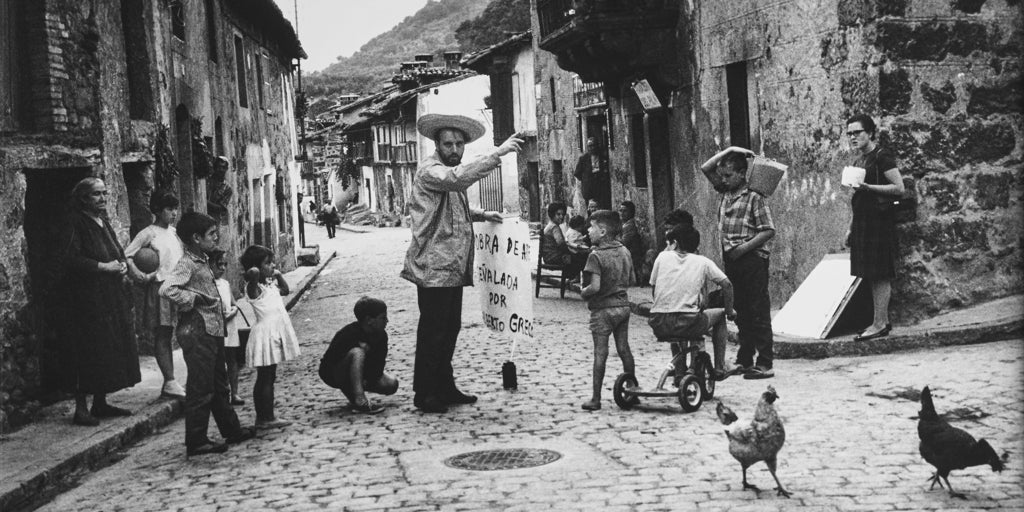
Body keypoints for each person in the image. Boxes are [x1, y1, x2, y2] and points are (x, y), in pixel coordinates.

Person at [400, 113, 523, 414]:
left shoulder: (447, 171)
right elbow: (455, 181)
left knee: (450, 327)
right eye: (448, 144)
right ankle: (424, 391)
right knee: (433, 330)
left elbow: (453, 206)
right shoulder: (431, 171)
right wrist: (498, 152)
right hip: (433, 266)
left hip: (452, 266)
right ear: (436, 145)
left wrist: (481, 215)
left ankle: (444, 385)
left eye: (459, 144)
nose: (455, 149)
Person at [160, 212, 255, 456]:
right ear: (195, 238)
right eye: (211, 235)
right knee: (201, 388)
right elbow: (167, 289)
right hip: (197, 329)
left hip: (210, 329)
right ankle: (196, 440)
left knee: (218, 384)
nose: (216, 239)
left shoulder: (201, 260)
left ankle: (231, 429)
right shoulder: (187, 263)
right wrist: (193, 298)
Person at [49, 177, 141, 426]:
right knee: (86, 350)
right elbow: (70, 259)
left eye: (104, 193)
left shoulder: (104, 222)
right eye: (96, 194)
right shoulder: (75, 223)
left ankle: (100, 402)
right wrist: (103, 266)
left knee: (107, 348)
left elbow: (116, 251)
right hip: (85, 300)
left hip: (109, 298)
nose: (103, 198)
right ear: (83, 198)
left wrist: (121, 265)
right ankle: (81, 409)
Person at [701, 147, 777, 380]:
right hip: (732, 259)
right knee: (740, 309)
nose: (723, 180)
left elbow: (768, 230)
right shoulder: (726, 193)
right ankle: (745, 358)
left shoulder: (754, 197)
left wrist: (743, 248)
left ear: (742, 174)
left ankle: (765, 362)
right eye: (722, 176)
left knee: (758, 309)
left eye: (728, 175)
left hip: (752, 259)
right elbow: (706, 168)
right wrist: (731, 150)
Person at [648, 225, 736, 382]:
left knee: (677, 326)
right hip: (688, 322)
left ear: (674, 243)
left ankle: (680, 371)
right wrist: (730, 311)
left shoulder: (662, 257)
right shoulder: (702, 261)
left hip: (659, 322)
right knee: (720, 315)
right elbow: (727, 285)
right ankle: (718, 368)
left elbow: (654, 289)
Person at [845, 113, 905, 341]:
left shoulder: (882, 156)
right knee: (870, 273)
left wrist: (869, 187)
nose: (853, 137)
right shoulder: (859, 160)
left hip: (879, 221)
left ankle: (879, 323)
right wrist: (850, 227)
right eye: (849, 133)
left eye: (857, 132)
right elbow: (857, 198)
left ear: (870, 133)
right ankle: (880, 321)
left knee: (880, 273)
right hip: (863, 221)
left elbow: (899, 188)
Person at [124, 190, 186, 400]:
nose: (174, 213)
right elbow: (127, 255)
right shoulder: (148, 233)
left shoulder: (175, 233)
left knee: (184, 332)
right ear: (158, 210)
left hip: (179, 287)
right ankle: (169, 381)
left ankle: (186, 377)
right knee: (164, 334)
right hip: (160, 288)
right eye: (169, 209)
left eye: (175, 208)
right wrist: (140, 274)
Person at [579, 210, 636, 411]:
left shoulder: (595, 256)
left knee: (600, 353)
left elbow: (594, 287)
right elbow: (632, 280)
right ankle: (632, 388)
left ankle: (596, 398)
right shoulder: (624, 251)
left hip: (602, 310)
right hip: (622, 307)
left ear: (602, 231)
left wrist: (583, 291)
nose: (588, 230)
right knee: (624, 349)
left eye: (591, 226)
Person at [240, 244, 300, 429]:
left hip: (275, 332)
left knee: (270, 376)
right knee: (265, 377)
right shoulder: (254, 288)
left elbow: (286, 290)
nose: (272, 265)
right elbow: (253, 278)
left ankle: (268, 415)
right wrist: (255, 272)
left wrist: (278, 275)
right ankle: (264, 418)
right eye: (268, 263)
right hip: (265, 335)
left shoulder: (270, 284)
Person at [319, 297, 399, 414]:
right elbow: (330, 362)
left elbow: (378, 366)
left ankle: (355, 391)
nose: (387, 321)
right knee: (357, 353)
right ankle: (360, 399)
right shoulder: (347, 334)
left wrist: (368, 379)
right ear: (369, 320)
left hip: (362, 374)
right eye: (383, 318)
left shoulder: (381, 336)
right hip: (334, 374)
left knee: (392, 384)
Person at [210, 250, 244, 406]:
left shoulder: (225, 284)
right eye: (219, 265)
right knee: (218, 361)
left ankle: (235, 393)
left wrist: (233, 311)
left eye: (224, 264)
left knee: (232, 360)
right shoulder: (207, 284)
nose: (222, 268)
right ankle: (222, 393)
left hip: (229, 325)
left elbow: (233, 304)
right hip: (216, 327)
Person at [542, 202, 588, 282]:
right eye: (558, 214)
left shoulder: (550, 225)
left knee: (575, 255)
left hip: (549, 256)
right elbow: (561, 244)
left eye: (562, 214)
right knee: (581, 257)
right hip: (554, 257)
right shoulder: (554, 227)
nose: (561, 217)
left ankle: (573, 277)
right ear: (552, 214)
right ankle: (576, 278)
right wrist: (570, 252)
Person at [573, 136, 610, 209]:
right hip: (589, 190)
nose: (592, 148)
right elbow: (577, 173)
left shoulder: (602, 157)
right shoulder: (583, 159)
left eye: (593, 145)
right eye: (590, 146)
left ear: (597, 146)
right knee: (591, 209)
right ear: (587, 147)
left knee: (601, 208)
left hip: (600, 189)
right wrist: (586, 179)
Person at [618, 200, 646, 283]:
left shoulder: (630, 226)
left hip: (632, 254)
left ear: (631, 213)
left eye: (625, 211)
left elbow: (623, 243)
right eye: (621, 211)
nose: (622, 213)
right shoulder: (624, 224)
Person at [206, 156, 233, 222]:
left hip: (213, 220)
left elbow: (220, 208)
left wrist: (205, 202)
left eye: (223, 167)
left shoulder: (227, 188)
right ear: (214, 168)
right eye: (219, 167)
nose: (221, 169)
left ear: (226, 169)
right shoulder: (206, 180)